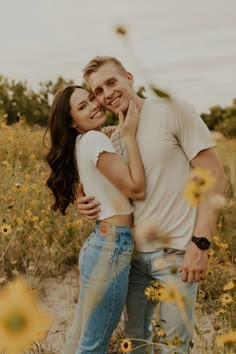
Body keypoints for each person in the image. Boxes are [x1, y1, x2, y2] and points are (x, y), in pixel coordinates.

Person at [77, 56, 226, 353]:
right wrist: (82, 201)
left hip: (178, 256)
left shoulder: (174, 111)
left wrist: (200, 244)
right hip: (131, 258)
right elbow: (116, 189)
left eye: (111, 82)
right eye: (98, 91)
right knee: (134, 342)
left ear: (129, 78)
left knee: (174, 346)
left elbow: (215, 178)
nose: (106, 94)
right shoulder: (115, 136)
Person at [46, 85, 145, 353]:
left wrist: (114, 136)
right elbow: (136, 189)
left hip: (100, 243)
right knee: (94, 345)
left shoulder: (86, 140)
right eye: (82, 106)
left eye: (91, 99)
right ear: (71, 121)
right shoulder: (94, 140)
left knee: (80, 337)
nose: (93, 106)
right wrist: (130, 137)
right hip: (111, 248)